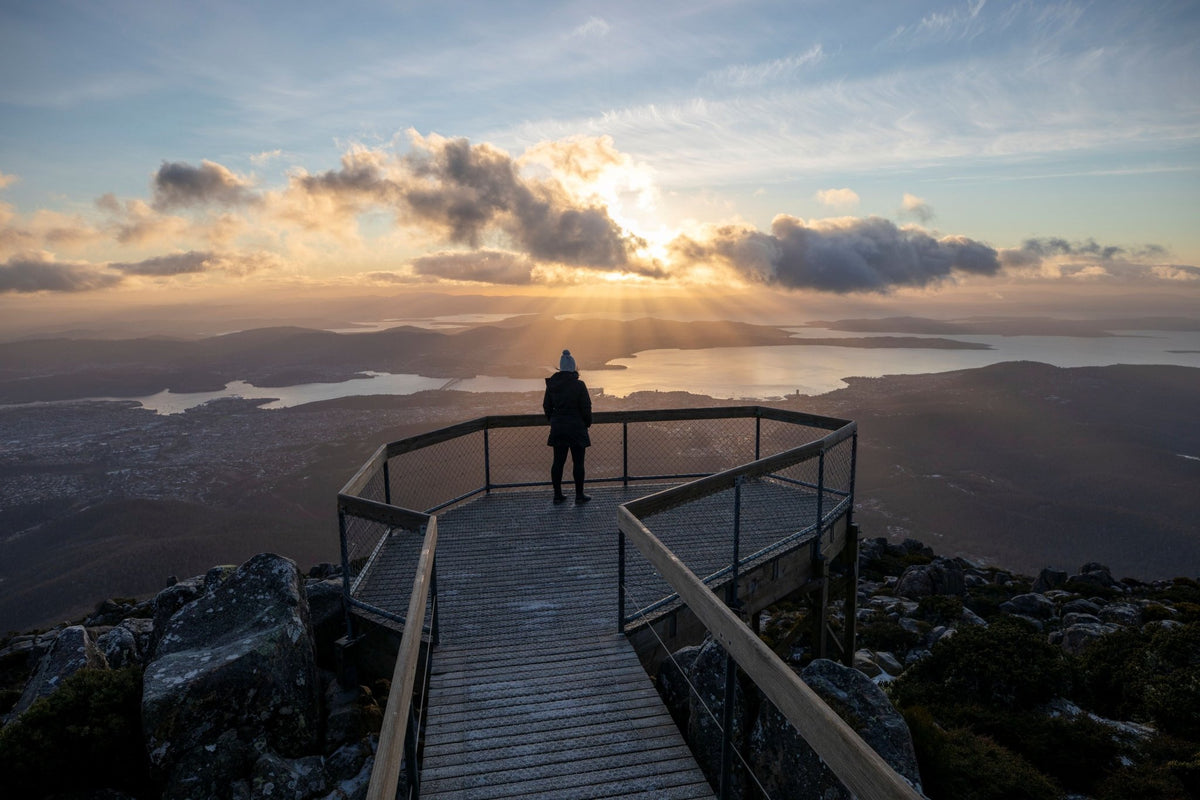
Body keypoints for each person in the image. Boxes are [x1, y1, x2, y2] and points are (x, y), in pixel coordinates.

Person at [543, 349, 592, 505]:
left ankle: (557, 495)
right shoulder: (579, 385)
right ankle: (579, 495)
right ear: (573, 367)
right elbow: (586, 407)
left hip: (559, 427)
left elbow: (546, 406)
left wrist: (554, 420)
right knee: (578, 463)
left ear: (560, 367)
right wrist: (586, 422)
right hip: (577, 427)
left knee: (558, 462)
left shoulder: (552, 385)